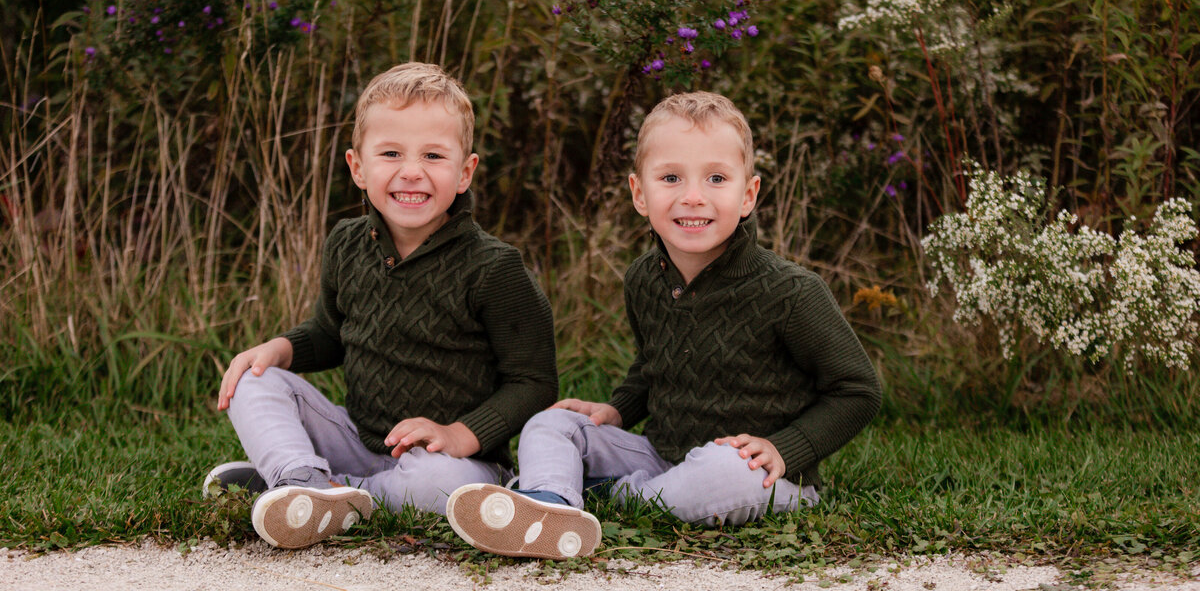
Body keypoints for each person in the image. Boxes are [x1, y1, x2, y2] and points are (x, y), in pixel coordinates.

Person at [445, 91, 881, 560]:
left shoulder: (791, 293)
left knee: (720, 468)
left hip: (761, 474)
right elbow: (654, 366)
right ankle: (548, 503)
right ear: (639, 193)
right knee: (552, 423)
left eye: (716, 178)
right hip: (662, 454)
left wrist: (786, 449)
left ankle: (604, 497)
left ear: (748, 195)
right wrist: (617, 411)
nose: (693, 196)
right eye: (670, 178)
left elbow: (858, 390)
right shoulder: (643, 279)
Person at [204, 62, 558, 549]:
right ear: (357, 167)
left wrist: (460, 434)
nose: (411, 171)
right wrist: (281, 349)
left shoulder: (494, 268)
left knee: (441, 486)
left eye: (433, 155)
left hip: (452, 460)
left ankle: (326, 495)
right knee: (253, 378)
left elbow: (535, 381)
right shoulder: (347, 243)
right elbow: (330, 334)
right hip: (360, 437)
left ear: (464, 172)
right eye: (391, 153)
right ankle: (300, 476)